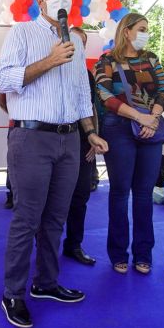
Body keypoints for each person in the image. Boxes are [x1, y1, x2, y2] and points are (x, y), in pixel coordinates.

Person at [0, 0, 108, 328]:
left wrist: (89, 131)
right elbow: (4, 80)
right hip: (31, 138)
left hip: (70, 138)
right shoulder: (22, 32)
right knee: (27, 218)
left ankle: (45, 282)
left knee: (56, 216)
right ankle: (13, 292)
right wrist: (49, 60)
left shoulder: (76, 39)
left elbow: (79, 94)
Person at [94, 13, 164, 274]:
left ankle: (143, 253)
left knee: (145, 194)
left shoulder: (151, 59)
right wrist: (140, 117)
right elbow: (104, 93)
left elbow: (163, 89)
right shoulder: (107, 60)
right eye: (142, 28)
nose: (146, 33)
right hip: (119, 129)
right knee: (119, 192)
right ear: (127, 31)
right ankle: (118, 254)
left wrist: (154, 118)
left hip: (151, 129)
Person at [63, 26, 101, 266]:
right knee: (48, 199)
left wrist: (92, 136)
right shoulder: (49, 65)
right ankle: (45, 248)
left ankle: (74, 245)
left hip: (81, 141)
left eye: (83, 42)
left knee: (80, 196)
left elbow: (91, 107)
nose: (78, 45)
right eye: (75, 41)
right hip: (52, 141)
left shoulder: (86, 74)